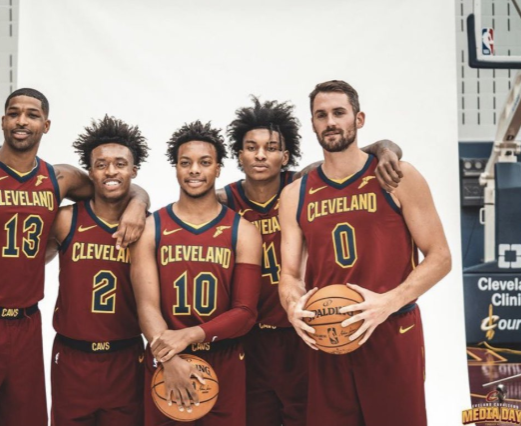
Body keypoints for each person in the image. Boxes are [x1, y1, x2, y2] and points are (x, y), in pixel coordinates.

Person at [0, 88, 148, 426]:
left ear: (46, 125)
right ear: (3, 121)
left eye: (32, 115)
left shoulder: (59, 178)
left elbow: (113, 183)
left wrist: (138, 203)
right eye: (14, 113)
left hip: (26, 324)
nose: (22, 121)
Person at [218, 96, 403, 426]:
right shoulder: (223, 201)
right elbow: (178, 205)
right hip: (251, 337)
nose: (260, 155)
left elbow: (349, 152)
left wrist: (387, 148)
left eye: (271, 148)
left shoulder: (303, 184)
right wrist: (138, 200)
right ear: (239, 154)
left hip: (307, 331)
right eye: (251, 147)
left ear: (285, 156)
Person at [279, 80, 451, 426]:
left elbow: (440, 257)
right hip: (328, 334)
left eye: (339, 113)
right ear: (312, 124)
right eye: (321, 115)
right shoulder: (295, 194)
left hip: (391, 329)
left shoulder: (397, 176)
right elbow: (290, 275)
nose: (330, 122)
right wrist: (293, 306)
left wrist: (387, 302)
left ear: (359, 119)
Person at [131, 121, 263, 426]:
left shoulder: (242, 231)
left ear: (218, 169)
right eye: (185, 163)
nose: (194, 170)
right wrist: (170, 358)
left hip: (223, 357)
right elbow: (146, 307)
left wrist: (188, 335)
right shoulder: (152, 228)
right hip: (166, 359)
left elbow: (245, 313)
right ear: (176, 168)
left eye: (204, 163)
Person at [46, 115, 149, 426]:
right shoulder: (66, 220)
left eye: (120, 164)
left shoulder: (149, 227)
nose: (111, 171)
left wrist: (140, 201)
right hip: (72, 356)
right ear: (89, 172)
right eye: (101, 164)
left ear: (134, 170)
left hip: (126, 355)